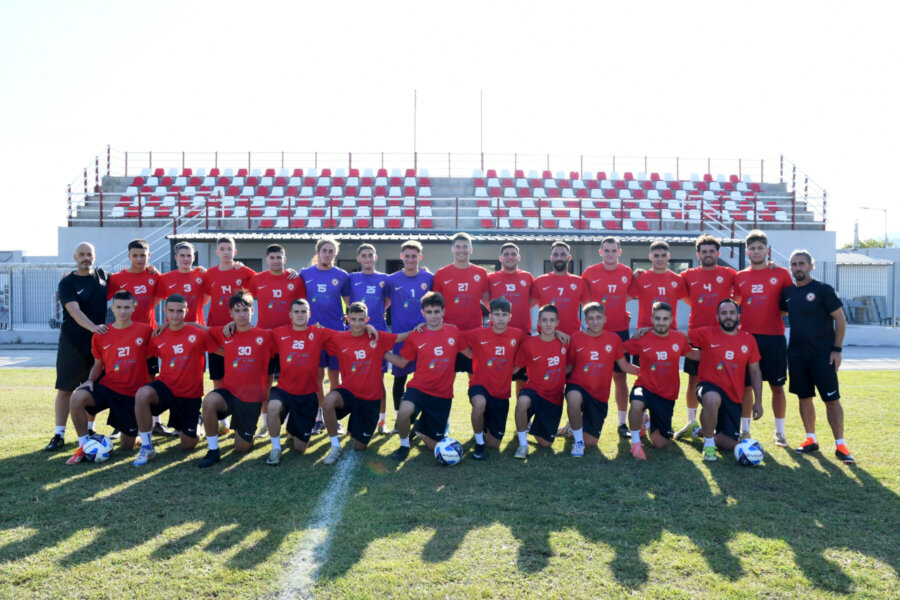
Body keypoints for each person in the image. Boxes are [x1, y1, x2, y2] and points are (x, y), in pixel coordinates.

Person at [780, 250, 854, 463]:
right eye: (794, 264)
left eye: (801, 264)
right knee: (804, 397)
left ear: (811, 266)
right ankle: (810, 439)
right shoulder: (788, 293)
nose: (798, 268)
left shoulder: (823, 290)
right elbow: (781, 313)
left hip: (822, 355)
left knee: (831, 400)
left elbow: (840, 319)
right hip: (797, 355)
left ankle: (840, 444)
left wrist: (837, 350)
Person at [321, 302, 415, 464]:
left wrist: (421, 329)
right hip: (348, 393)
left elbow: (402, 337)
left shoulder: (377, 337)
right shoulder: (338, 338)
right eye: (353, 319)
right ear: (347, 319)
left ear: (367, 319)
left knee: (359, 447)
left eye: (361, 320)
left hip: (370, 399)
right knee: (328, 401)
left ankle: (355, 426)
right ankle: (335, 446)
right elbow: (316, 331)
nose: (357, 323)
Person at [65, 291, 152, 464]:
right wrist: (90, 380)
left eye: (126, 307)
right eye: (118, 307)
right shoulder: (101, 333)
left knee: (127, 446)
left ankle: (136, 435)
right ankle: (83, 447)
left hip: (131, 394)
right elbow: (98, 365)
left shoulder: (145, 330)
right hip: (109, 387)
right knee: (77, 398)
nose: (122, 311)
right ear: (112, 308)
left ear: (133, 308)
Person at [133, 294, 218, 466]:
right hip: (166, 387)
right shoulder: (158, 335)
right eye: (171, 311)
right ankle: (147, 447)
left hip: (189, 395)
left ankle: (197, 422)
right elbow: (145, 358)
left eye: (180, 311)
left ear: (186, 311)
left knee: (187, 445)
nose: (175, 315)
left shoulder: (198, 333)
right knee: (142, 394)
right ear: (165, 310)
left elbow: (223, 350)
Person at [197, 291, 276, 468]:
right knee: (209, 401)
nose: (241, 314)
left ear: (252, 311)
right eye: (237, 311)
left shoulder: (265, 336)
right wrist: (172, 324)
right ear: (231, 313)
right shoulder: (226, 333)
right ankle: (213, 450)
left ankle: (245, 433)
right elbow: (201, 329)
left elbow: (290, 336)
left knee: (241, 448)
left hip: (251, 398)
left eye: (245, 310)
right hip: (230, 392)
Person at [45, 242, 110, 452]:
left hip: (97, 343)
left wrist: (150, 269)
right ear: (75, 257)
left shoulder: (103, 276)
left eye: (89, 254)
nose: (85, 257)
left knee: (92, 387)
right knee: (65, 389)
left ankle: (90, 429)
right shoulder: (67, 282)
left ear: (94, 256)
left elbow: (129, 281)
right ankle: (59, 435)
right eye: (81, 254)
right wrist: (93, 327)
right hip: (72, 343)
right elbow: (74, 311)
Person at [733, 230, 794, 446]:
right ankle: (745, 430)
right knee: (746, 387)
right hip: (747, 339)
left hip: (774, 337)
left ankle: (780, 432)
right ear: (747, 251)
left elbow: (788, 306)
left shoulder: (781, 274)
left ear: (767, 250)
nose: (756, 251)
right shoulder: (739, 277)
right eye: (753, 248)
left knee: (777, 387)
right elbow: (733, 304)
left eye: (760, 248)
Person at [385, 292, 460, 460]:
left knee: (433, 446)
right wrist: (381, 352)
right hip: (419, 388)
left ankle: (419, 429)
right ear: (423, 313)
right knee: (404, 412)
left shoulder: (454, 332)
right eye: (429, 312)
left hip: (442, 394)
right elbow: (402, 362)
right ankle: (404, 445)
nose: (433, 316)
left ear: (443, 311)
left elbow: (468, 352)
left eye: (436, 311)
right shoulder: (416, 334)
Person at [675, 235, 736, 440]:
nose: (708, 254)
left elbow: (742, 291)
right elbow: (676, 289)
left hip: (723, 336)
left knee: (725, 378)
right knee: (693, 379)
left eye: (711, 251)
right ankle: (691, 422)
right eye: (704, 251)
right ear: (698, 254)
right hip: (697, 335)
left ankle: (722, 422)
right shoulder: (688, 275)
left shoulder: (728, 273)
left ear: (718, 253)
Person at [688, 299, 763, 461]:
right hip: (709, 386)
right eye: (724, 313)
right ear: (717, 317)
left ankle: (698, 431)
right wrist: (650, 332)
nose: (728, 316)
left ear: (738, 316)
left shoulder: (748, 340)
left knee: (728, 443)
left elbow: (755, 371)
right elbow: (680, 337)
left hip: (733, 397)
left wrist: (758, 401)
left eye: (731, 313)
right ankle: (708, 446)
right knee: (712, 398)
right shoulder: (707, 333)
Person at [108, 239, 168, 436]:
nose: (139, 259)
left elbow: (155, 300)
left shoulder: (154, 276)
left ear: (149, 256)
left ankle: (155, 422)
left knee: (150, 377)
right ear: (129, 256)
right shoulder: (117, 278)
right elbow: (104, 299)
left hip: (149, 337)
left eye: (143, 255)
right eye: (135, 255)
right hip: (123, 338)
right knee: (123, 377)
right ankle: (120, 423)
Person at [564, 303, 639, 457]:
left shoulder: (614, 339)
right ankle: (578, 442)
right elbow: (569, 367)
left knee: (591, 441)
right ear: (585, 320)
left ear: (605, 319)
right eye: (591, 318)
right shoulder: (576, 338)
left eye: (598, 317)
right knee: (573, 397)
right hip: (578, 386)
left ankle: (574, 426)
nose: (595, 321)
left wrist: (649, 373)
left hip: (599, 395)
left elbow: (624, 366)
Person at [246, 244, 306, 438]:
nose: (276, 261)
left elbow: (303, 307)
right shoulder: (257, 279)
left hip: (289, 340)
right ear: (267, 259)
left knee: (290, 382)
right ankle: (265, 424)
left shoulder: (295, 279)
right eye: (272, 257)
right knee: (265, 382)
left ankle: (289, 424)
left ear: (284, 259)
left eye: (279, 257)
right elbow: (243, 300)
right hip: (266, 340)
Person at [623, 302, 696, 460]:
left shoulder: (679, 338)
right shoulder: (642, 337)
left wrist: (718, 351)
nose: (661, 322)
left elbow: (693, 354)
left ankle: (646, 422)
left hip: (666, 394)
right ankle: (635, 443)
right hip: (644, 386)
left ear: (671, 320)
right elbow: (620, 349)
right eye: (657, 318)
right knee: (636, 403)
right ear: (652, 319)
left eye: (665, 319)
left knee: (660, 443)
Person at [460, 298, 527, 460]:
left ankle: (484, 429)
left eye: (504, 315)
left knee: (494, 444)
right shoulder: (479, 333)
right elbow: (456, 338)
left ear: (510, 317)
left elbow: (535, 344)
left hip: (501, 392)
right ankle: (479, 443)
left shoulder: (517, 334)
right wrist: (470, 354)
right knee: (479, 403)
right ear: (490, 317)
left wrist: (517, 367)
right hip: (480, 385)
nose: (500, 318)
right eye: (497, 314)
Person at [581, 236, 635, 437]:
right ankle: (578, 421)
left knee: (620, 377)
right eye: (607, 250)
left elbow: (626, 295)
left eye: (614, 250)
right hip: (596, 333)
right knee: (590, 376)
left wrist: (620, 308)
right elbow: (584, 299)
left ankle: (622, 423)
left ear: (619, 252)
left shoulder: (627, 272)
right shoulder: (590, 272)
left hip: (620, 332)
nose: (610, 254)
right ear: (600, 252)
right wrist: (593, 319)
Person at [300, 237, 351, 434]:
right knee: (317, 377)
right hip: (313, 334)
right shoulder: (305, 274)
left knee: (334, 377)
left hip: (335, 333)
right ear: (318, 252)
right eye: (324, 250)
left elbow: (350, 302)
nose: (327, 254)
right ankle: (318, 416)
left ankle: (334, 417)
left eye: (331, 251)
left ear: (335, 254)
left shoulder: (342, 275)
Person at [384, 240, 433, 429]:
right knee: (400, 379)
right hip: (401, 336)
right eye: (407, 256)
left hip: (425, 336)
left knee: (425, 379)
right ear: (401, 257)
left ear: (420, 257)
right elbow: (384, 303)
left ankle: (421, 420)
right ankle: (400, 420)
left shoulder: (429, 278)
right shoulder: (391, 280)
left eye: (414, 256)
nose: (410, 259)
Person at [512, 305, 570, 459]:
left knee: (545, 444)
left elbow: (572, 364)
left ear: (557, 322)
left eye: (552, 320)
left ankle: (533, 426)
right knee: (522, 402)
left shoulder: (565, 341)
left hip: (553, 397)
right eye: (544, 320)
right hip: (534, 390)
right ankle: (522, 444)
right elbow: (515, 368)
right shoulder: (529, 344)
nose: (548, 324)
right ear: (538, 322)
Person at [432, 232, 490, 376]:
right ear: (452, 249)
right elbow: (435, 304)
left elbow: (487, 301)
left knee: (475, 377)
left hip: (474, 332)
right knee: (447, 377)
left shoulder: (481, 273)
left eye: (465, 246)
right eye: (458, 246)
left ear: (471, 249)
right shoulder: (441, 273)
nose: (461, 250)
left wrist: (500, 320)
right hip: (449, 332)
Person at [202, 235, 256, 389]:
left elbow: (266, 280)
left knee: (241, 375)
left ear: (235, 251)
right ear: (217, 252)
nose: (226, 252)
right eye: (222, 249)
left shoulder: (244, 271)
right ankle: (219, 404)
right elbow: (205, 300)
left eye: (229, 249)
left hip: (239, 330)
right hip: (216, 330)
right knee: (218, 377)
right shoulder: (209, 274)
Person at [349, 243, 391, 434]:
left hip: (378, 334)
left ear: (376, 257)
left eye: (370, 255)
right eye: (363, 255)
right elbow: (348, 301)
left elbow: (387, 301)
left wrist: (377, 314)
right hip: (357, 334)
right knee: (355, 377)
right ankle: (355, 419)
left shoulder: (384, 279)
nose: (367, 259)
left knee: (378, 379)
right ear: (358, 258)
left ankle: (382, 421)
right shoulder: (352, 278)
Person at [487, 243, 535, 398]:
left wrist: (520, 309)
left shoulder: (527, 277)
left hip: (523, 333)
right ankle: (497, 407)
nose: (510, 257)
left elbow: (533, 300)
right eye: (506, 254)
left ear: (518, 257)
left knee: (522, 377)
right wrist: (500, 315)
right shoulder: (491, 278)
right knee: (499, 373)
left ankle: (521, 411)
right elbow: (486, 299)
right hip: (498, 334)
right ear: (500, 258)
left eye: (513, 254)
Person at [531, 241, 590, 336]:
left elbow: (590, 310)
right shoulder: (539, 281)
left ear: (569, 258)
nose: (559, 258)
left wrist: (590, 330)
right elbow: (525, 307)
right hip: (546, 336)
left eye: (563, 255)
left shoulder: (579, 282)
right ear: (551, 258)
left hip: (572, 336)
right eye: (556, 255)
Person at [157, 241, 208, 325]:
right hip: (173, 326)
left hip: (195, 325)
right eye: (182, 255)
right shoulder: (165, 278)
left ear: (194, 257)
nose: (186, 259)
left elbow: (205, 301)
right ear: (176, 257)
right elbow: (153, 303)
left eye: (189, 255)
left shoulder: (202, 275)